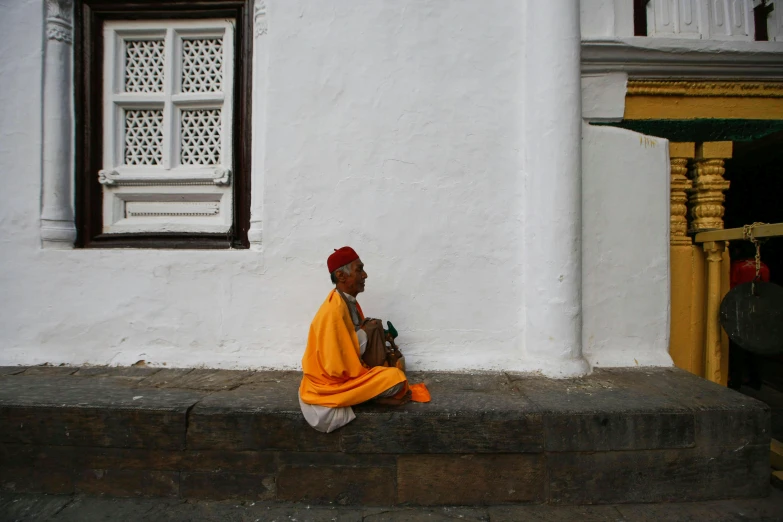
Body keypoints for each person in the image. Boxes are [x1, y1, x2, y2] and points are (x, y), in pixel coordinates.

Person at [299, 247, 411, 432]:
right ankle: (365, 398)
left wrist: (371, 331)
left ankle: (367, 394)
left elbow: (348, 343)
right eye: (359, 270)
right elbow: (336, 366)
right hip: (332, 384)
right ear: (341, 276)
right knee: (396, 379)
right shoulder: (333, 311)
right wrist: (365, 335)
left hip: (347, 373)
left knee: (393, 374)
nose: (365, 275)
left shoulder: (346, 301)